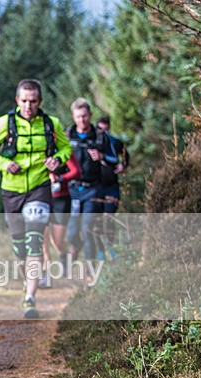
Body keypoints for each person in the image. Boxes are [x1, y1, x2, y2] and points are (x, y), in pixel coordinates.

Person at [0, 79, 72, 318]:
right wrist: (4, 163)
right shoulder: (4, 123)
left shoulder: (52, 124)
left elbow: (66, 149)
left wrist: (57, 160)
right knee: (19, 247)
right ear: (17, 101)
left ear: (39, 101)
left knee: (34, 240)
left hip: (39, 188)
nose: (28, 106)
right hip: (11, 190)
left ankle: (30, 297)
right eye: (24, 101)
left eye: (32, 101)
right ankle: (26, 282)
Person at [64, 98, 111, 278]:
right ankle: (76, 246)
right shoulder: (67, 136)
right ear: (73, 117)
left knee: (88, 228)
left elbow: (115, 161)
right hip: (73, 190)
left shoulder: (100, 136)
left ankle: (91, 271)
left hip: (94, 189)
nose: (82, 120)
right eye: (78, 117)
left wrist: (101, 157)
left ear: (90, 115)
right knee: (72, 233)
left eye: (84, 116)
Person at [39, 153, 81, 288]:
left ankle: (64, 255)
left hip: (61, 199)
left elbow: (76, 171)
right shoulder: (36, 148)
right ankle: (46, 275)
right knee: (43, 238)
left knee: (57, 240)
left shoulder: (63, 150)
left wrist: (59, 178)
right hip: (41, 198)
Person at [96, 116, 130, 260]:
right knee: (95, 220)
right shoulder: (93, 143)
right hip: (96, 186)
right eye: (100, 129)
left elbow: (125, 154)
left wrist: (124, 165)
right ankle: (100, 251)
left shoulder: (115, 142)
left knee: (109, 217)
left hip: (111, 186)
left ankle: (112, 248)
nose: (103, 132)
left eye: (105, 129)